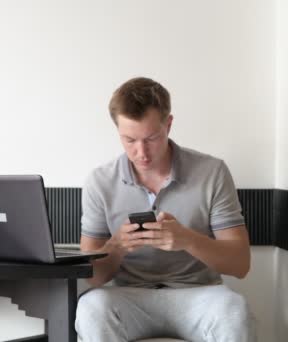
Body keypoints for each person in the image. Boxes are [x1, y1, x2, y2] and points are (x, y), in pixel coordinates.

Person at [75, 77, 256, 341]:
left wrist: (187, 240)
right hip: (130, 297)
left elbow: (240, 264)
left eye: (151, 138)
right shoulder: (100, 181)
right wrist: (117, 246)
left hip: (199, 294)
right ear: (117, 131)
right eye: (129, 140)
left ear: (168, 125)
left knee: (234, 309)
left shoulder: (212, 172)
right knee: (91, 307)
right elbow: (94, 278)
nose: (141, 153)